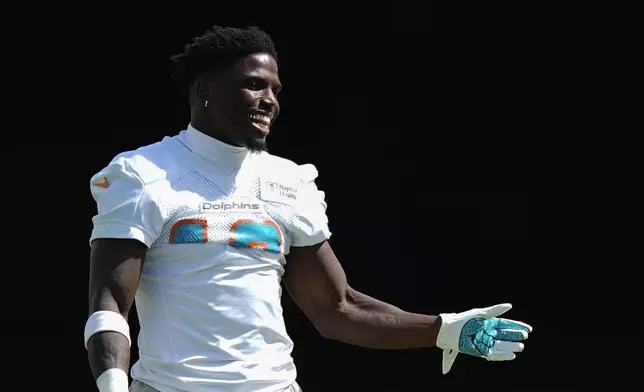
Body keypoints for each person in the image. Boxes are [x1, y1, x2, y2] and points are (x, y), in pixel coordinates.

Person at [84, 25, 533, 392]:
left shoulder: (290, 180)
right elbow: (109, 303)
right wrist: (112, 388)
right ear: (205, 91)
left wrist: (444, 329)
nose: (270, 101)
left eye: (275, 90)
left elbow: (337, 309)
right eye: (254, 85)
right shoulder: (142, 174)